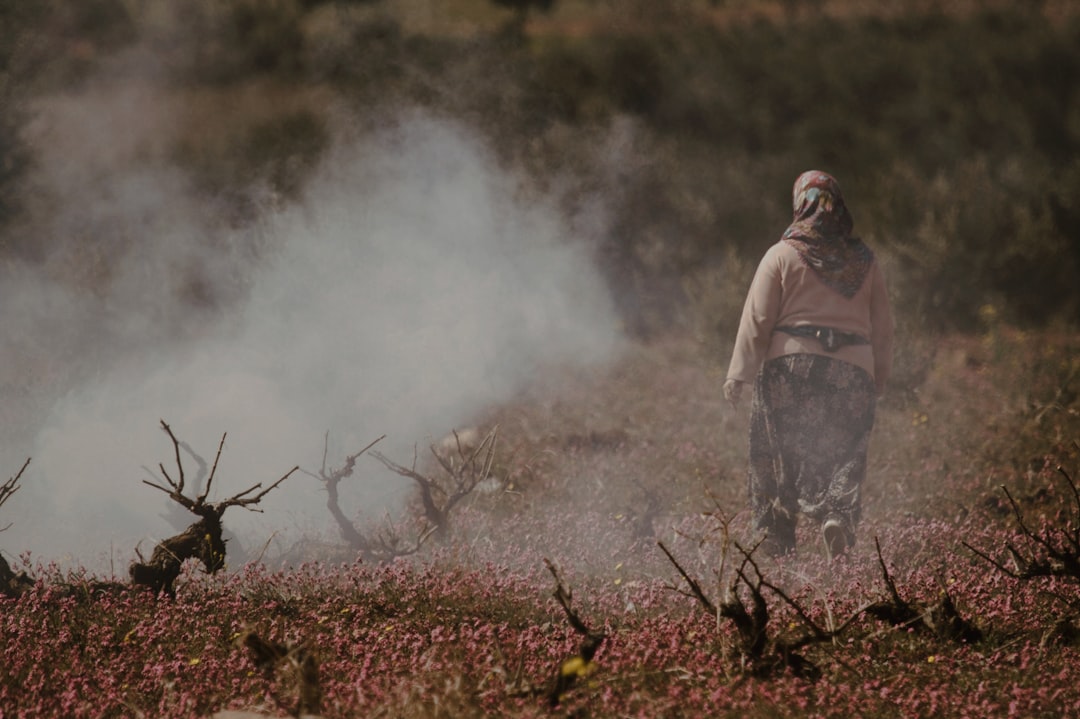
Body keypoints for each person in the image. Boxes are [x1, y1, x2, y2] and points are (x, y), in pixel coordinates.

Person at [723, 170, 893, 560]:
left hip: (790, 368)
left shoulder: (781, 254)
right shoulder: (866, 261)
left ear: (801, 204)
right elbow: (883, 328)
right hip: (852, 372)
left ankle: (777, 538)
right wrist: (877, 378)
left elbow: (757, 319)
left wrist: (739, 374)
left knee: (776, 450)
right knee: (847, 447)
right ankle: (837, 515)